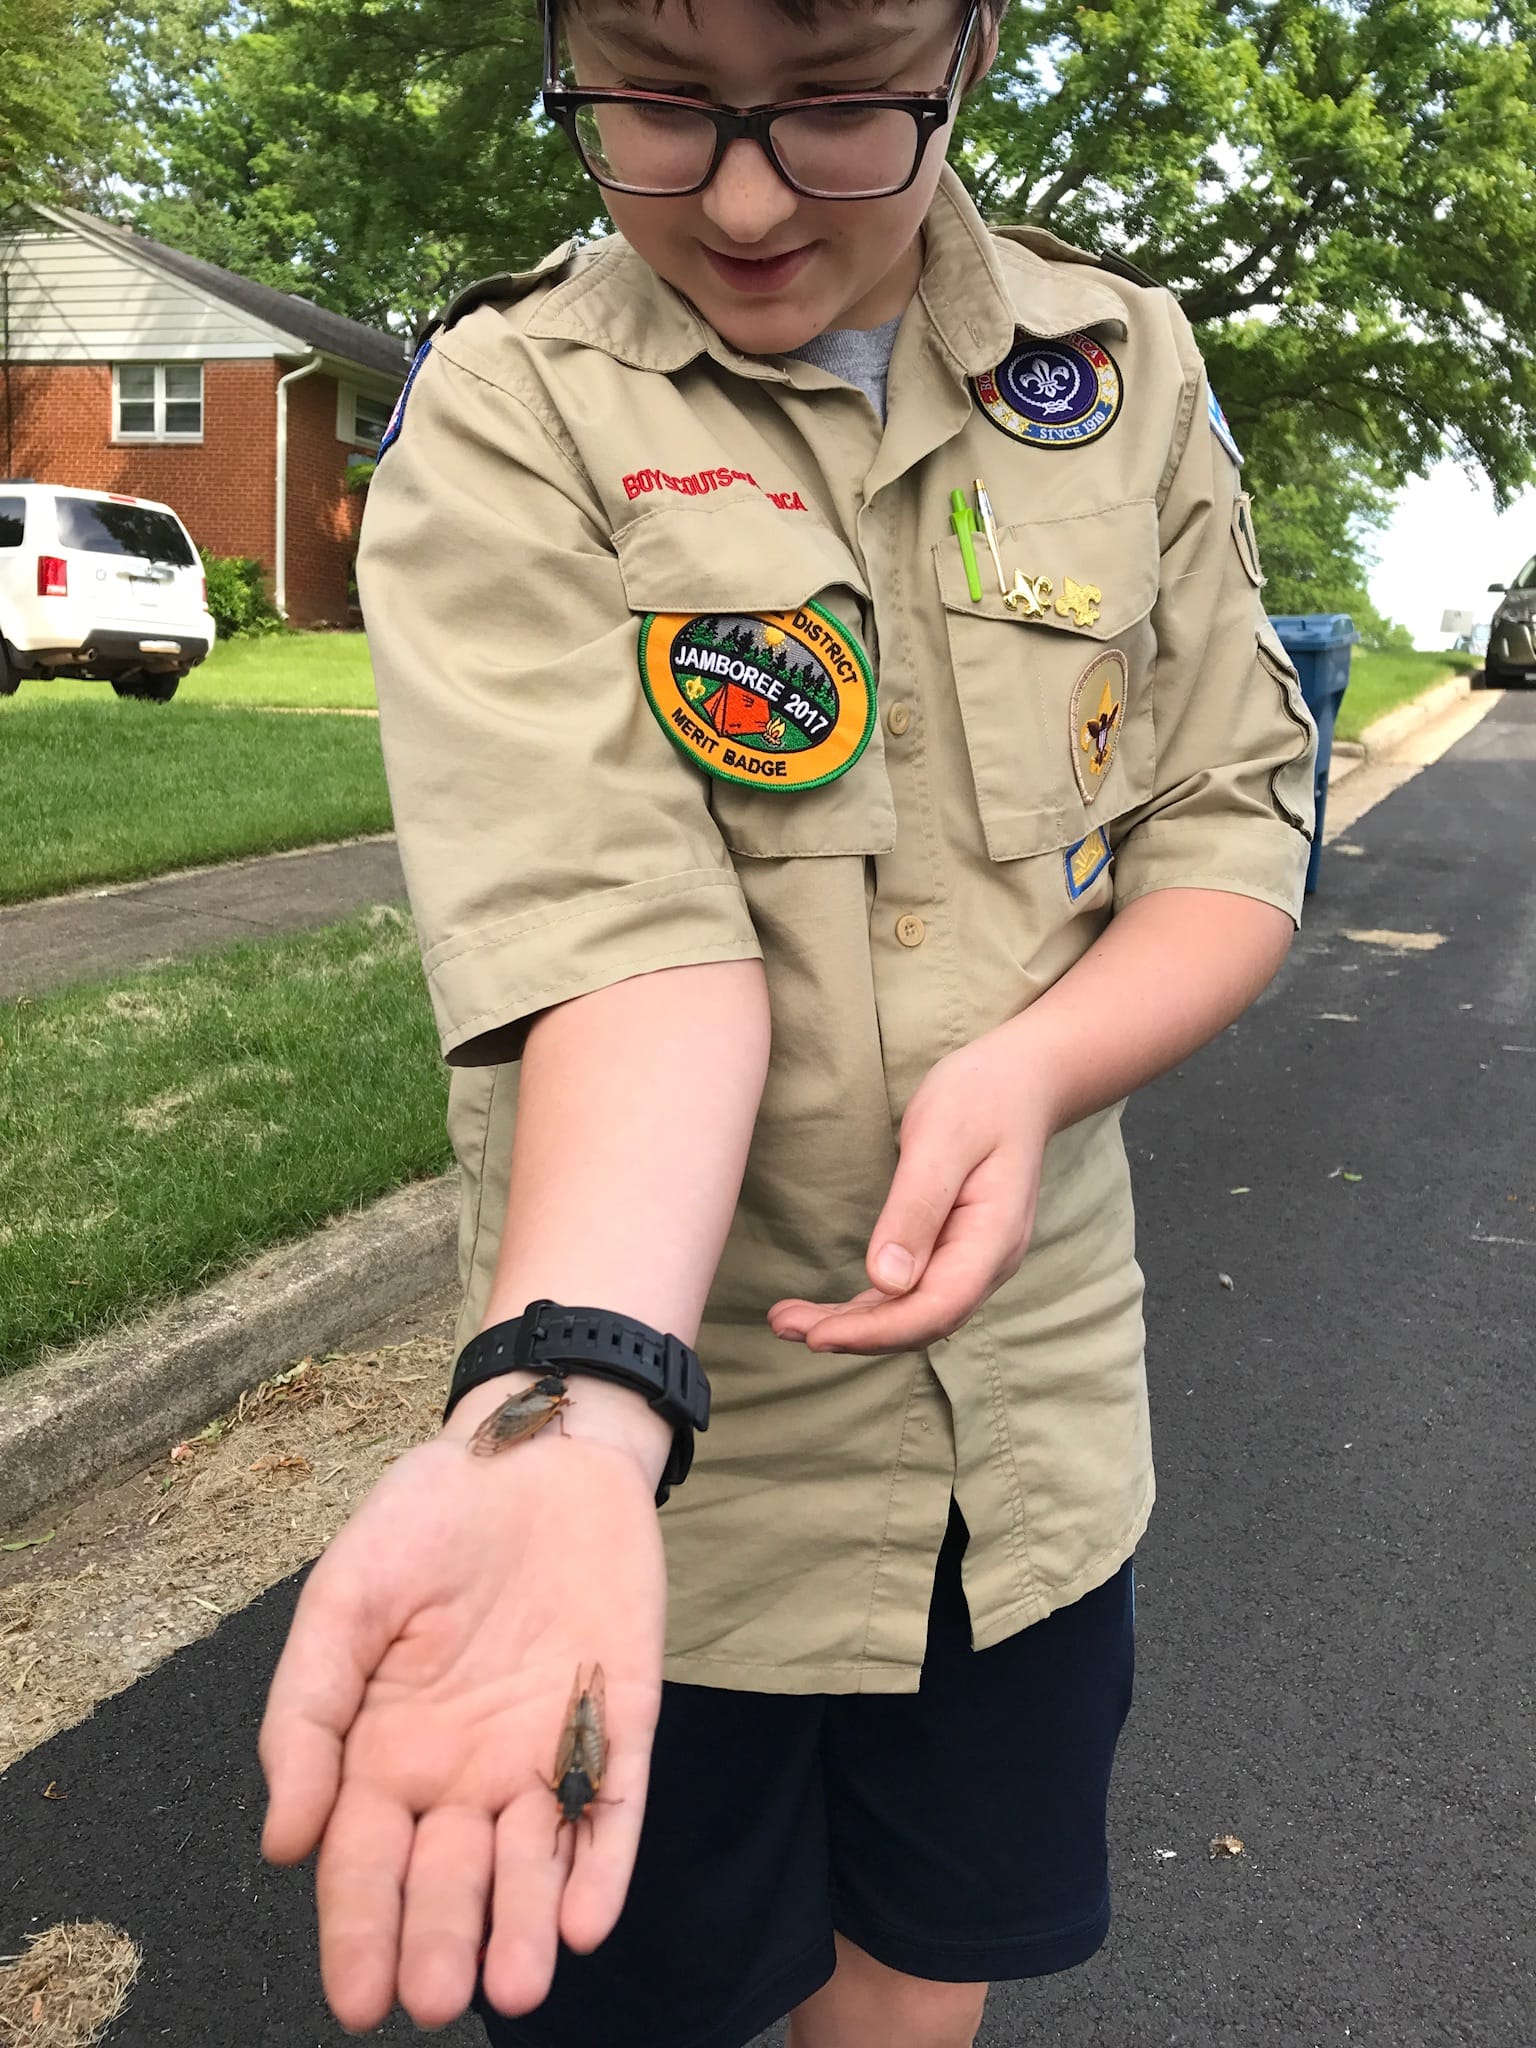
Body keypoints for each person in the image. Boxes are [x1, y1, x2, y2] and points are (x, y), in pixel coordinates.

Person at [258, 2, 1317, 2044]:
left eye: (838, 105)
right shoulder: (511, 406)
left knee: (925, 1965)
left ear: (972, 44)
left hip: (1026, 1451)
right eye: (655, 102)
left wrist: (1035, 1063)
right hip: (680, 1492)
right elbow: (633, 947)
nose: (743, 197)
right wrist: (574, 1404)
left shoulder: (1126, 373)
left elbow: (1229, 826)